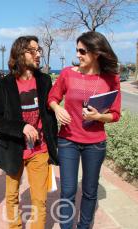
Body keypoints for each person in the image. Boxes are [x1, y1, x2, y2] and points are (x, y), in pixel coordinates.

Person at [48, 31, 121, 228]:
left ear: (96, 53)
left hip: (95, 144)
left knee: (89, 191)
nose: (78, 54)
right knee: (68, 190)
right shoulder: (67, 73)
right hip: (68, 140)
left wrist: (98, 117)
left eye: (82, 51)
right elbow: (52, 98)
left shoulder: (111, 79)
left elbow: (115, 114)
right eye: (77, 50)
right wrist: (57, 108)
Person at [0, 36, 58, 229]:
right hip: (13, 149)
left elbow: (49, 115)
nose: (38, 54)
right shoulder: (1, 86)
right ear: (19, 54)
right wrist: (21, 127)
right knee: (12, 196)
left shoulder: (44, 81)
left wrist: (54, 145)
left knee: (40, 200)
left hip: (39, 150)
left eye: (39, 50)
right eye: (33, 50)